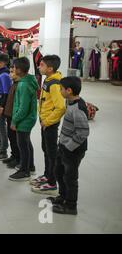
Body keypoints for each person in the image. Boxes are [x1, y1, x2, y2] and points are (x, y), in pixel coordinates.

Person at [48, 77, 89, 215]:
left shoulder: (77, 108)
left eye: (61, 89)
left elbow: (83, 133)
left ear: (69, 91)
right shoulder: (70, 102)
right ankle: (63, 197)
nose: (60, 91)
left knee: (70, 178)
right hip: (64, 147)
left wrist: (69, 146)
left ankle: (71, 206)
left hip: (73, 150)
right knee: (59, 172)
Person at [31, 55, 66, 194]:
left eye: (42, 65)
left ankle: (52, 182)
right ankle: (47, 175)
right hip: (44, 122)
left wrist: (48, 121)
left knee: (52, 153)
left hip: (49, 124)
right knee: (46, 150)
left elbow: (61, 107)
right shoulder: (48, 80)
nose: (39, 67)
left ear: (50, 68)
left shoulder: (55, 84)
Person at [8, 57, 38, 181]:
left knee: (23, 145)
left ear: (19, 70)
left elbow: (23, 108)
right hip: (28, 119)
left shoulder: (24, 85)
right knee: (26, 142)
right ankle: (30, 166)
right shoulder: (28, 81)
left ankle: (24, 171)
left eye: (14, 68)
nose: (12, 70)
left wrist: (14, 120)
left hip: (24, 120)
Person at [2, 66, 20, 169]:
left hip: (15, 116)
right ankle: (14, 156)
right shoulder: (14, 84)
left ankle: (18, 158)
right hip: (9, 115)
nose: (10, 74)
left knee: (16, 139)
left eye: (12, 72)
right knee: (11, 137)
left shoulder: (19, 86)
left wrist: (15, 119)